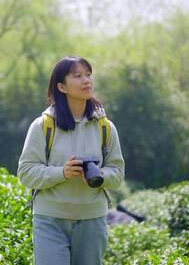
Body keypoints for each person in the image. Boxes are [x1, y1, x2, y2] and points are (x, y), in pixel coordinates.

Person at [17, 56, 125, 265]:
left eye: (88, 75)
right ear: (62, 87)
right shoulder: (42, 126)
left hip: (92, 220)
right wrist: (62, 173)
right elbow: (26, 172)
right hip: (50, 220)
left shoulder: (106, 127)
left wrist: (102, 175)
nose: (87, 80)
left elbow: (118, 172)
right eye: (78, 76)